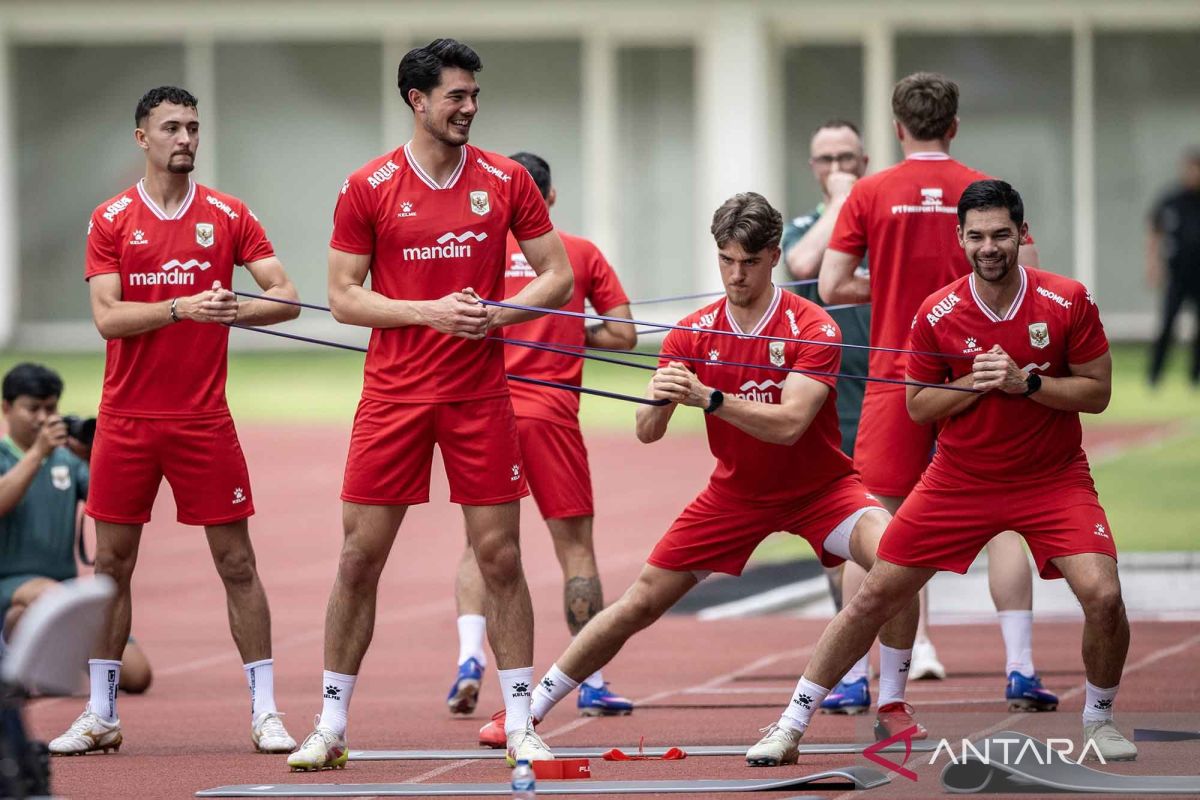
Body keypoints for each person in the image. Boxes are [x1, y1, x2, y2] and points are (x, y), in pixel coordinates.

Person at [514, 193, 922, 760]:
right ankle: (525, 714)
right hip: (736, 496)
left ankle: (892, 705)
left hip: (822, 490)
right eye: (727, 260)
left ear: (774, 256)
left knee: (898, 558)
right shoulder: (691, 333)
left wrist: (709, 398)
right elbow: (646, 432)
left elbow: (789, 426)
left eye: (749, 262)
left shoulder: (814, 326)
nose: (736, 274)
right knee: (640, 602)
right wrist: (660, 398)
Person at [751, 180, 1136, 765]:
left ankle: (1100, 718)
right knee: (875, 594)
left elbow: (1099, 392)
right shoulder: (937, 312)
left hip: (1052, 479)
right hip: (958, 481)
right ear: (960, 238)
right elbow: (917, 405)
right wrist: (971, 384)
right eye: (977, 235)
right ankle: (791, 724)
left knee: (1104, 596)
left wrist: (1026, 382)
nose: (990, 246)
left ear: (1021, 235)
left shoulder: (1066, 299)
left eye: (1002, 234)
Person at [287, 40, 573, 772]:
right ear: (417, 99)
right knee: (357, 560)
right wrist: (428, 314)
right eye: (456, 96)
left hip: (479, 396)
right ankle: (329, 725)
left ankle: (519, 722)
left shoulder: (506, 179)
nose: (469, 107)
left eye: (474, 95)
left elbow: (556, 276)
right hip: (394, 396)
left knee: (501, 556)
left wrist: (498, 317)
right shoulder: (368, 186)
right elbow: (345, 298)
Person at [50, 86, 301, 756]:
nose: (185, 138)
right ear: (143, 138)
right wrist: (181, 307)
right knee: (111, 566)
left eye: (193, 127)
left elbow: (286, 298)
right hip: (127, 420)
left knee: (237, 563)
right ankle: (101, 714)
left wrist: (231, 310)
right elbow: (107, 318)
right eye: (171, 128)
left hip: (202, 421)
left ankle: (266, 713)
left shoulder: (228, 213)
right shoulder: (111, 219)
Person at [818, 72, 1055, 707]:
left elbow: (832, 286)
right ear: (953, 125)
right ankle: (1020, 668)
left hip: (898, 375)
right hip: (979, 372)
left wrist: (893, 282)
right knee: (1005, 519)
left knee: (874, 520)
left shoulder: (870, 192)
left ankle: (849, 679)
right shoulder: (983, 193)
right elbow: (1022, 272)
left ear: (897, 128)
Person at [448, 153, 637, 736]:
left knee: (481, 545)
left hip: (484, 413)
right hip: (551, 415)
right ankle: (594, 683)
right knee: (575, 548)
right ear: (547, 201)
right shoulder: (577, 254)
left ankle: (468, 659)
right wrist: (574, 326)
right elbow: (625, 334)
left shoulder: (471, 253)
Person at [781, 119, 875, 714]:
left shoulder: (880, 221)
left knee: (898, 525)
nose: (836, 167)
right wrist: (839, 202)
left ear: (865, 158)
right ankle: (851, 663)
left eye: (846, 157)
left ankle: (913, 644)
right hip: (825, 397)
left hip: (890, 388)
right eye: (825, 159)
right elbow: (799, 266)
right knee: (835, 535)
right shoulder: (805, 225)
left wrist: (852, 205)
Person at [0, 363, 151, 694]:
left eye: (50, 408)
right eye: (32, 408)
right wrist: (38, 454)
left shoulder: (66, 460)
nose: (43, 418)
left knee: (137, 674)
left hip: (61, 588)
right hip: (9, 583)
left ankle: (37, 653)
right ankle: (30, 652)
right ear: (6, 407)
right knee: (44, 596)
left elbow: (112, 500)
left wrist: (94, 456)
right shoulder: (6, 456)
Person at [1146, 148, 1200, 387]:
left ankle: (1194, 378)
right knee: (1167, 325)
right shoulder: (1171, 201)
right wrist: (1153, 264)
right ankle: (1154, 376)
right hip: (1177, 276)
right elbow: (1154, 233)